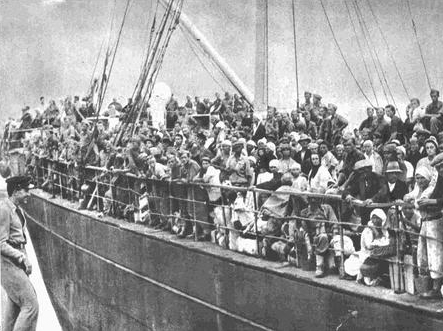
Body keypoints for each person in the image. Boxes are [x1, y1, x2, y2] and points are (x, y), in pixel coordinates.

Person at [1, 176, 39, 331]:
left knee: (14, 309)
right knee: (31, 306)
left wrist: (24, 259)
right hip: (8, 263)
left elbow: (20, 239)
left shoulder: (17, 210)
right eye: (25, 190)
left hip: (16, 262)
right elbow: (1, 243)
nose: (28, 194)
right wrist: (21, 257)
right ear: (16, 191)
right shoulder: (4, 210)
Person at [416, 152, 443, 299]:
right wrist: (426, 200)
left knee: (436, 253)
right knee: (423, 252)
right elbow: (436, 193)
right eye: (438, 167)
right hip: (427, 220)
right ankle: (427, 285)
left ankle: (436, 288)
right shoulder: (439, 178)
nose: (441, 169)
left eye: (442, 166)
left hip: (437, 220)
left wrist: (431, 202)